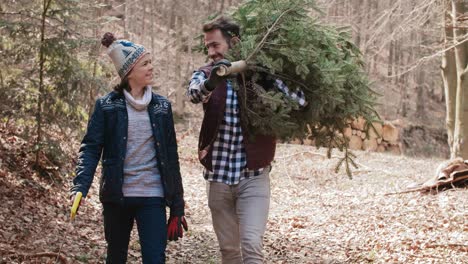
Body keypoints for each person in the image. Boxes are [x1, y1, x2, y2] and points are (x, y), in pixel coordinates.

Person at [187, 17, 306, 264]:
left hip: (253, 178)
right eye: (207, 46)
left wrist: (268, 77)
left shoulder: (260, 76)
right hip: (218, 178)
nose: (211, 52)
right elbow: (195, 93)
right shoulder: (206, 74)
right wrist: (213, 81)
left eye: (216, 45)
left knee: (251, 245)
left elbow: (300, 101)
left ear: (234, 42)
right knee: (230, 252)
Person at [70, 32, 187, 264]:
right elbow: (91, 148)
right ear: (129, 72)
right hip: (117, 196)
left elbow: (171, 157)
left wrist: (177, 205)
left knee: (155, 259)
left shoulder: (162, 107)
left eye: (150, 62)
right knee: (116, 258)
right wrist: (80, 186)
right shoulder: (107, 106)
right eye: (145, 63)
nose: (151, 67)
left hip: (153, 196)